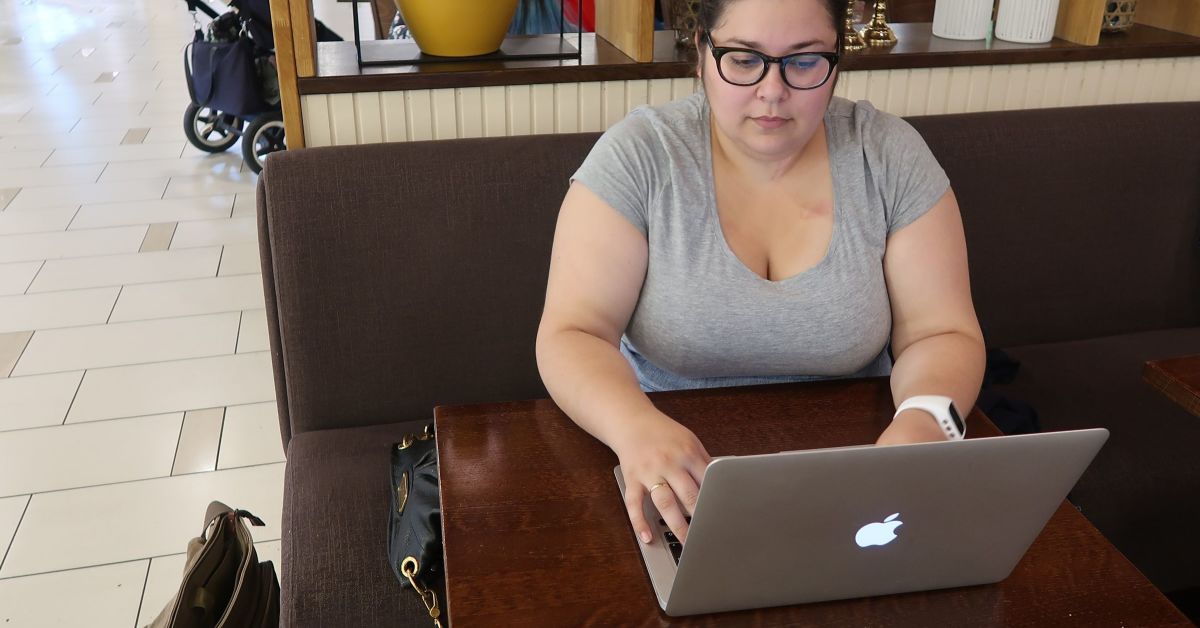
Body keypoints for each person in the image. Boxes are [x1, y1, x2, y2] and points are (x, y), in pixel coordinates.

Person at [535, 0, 985, 549]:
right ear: (701, 51)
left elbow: (941, 332)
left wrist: (921, 422)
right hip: (666, 467)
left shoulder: (888, 154)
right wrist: (633, 427)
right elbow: (573, 332)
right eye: (745, 59)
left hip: (860, 467)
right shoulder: (641, 156)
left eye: (803, 62)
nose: (772, 92)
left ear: (837, 59)